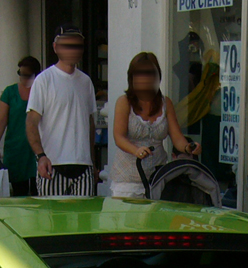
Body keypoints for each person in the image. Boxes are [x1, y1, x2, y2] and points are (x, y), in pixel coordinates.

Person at [109, 53, 199, 198]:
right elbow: (118, 137)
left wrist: (188, 147)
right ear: (132, 78)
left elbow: (176, 137)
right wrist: (136, 150)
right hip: (128, 180)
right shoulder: (124, 102)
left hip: (157, 179)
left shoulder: (166, 103)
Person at [27, 24, 99, 197]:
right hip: (53, 164)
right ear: (56, 47)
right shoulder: (44, 80)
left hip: (83, 164)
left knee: (84, 221)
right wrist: (40, 156)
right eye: (68, 45)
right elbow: (31, 122)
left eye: (77, 45)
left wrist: (93, 162)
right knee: (53, 220)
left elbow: (89, 123)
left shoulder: (86, 82)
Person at [0, 56, 42, 196]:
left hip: (38, 147)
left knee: (39, 191)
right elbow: (1, 120)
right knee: (19, 192)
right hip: (16, 149)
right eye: (21, 74)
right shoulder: (10, 92)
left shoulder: (42, 91)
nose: (23, 78)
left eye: (27, 75)